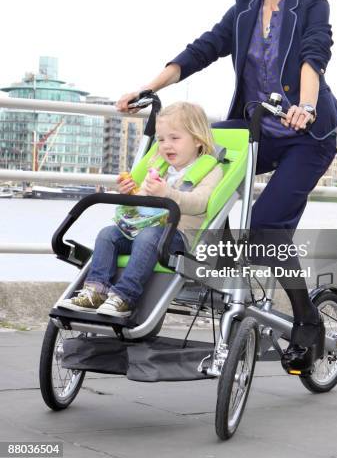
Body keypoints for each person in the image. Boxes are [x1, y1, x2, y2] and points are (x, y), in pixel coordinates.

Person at [116, 0, 337, 371]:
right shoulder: (243, 7)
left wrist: (306, 106)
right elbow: (202, 49)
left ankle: (306, 322)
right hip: (254, 130)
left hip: (305, 135)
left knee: (266, 228)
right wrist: (149, 89)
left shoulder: (311, 4)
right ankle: (186, 265)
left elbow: (313, 56)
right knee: (200, 166)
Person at [59, 102, 223, 318]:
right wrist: (130, 194)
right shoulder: (160, 170)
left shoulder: (210, 170)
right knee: (108, 234)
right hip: (146, 233)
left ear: (197, 140)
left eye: (174, 138)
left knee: (148, 236)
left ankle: (125, 297)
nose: (166, 145)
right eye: (161, 139)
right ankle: (96, 290)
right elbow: (143, 205)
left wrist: (168, 194)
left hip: (180, 239)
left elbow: (200, 203)